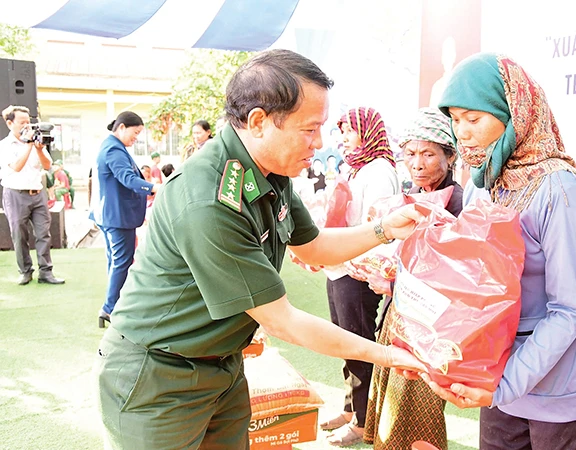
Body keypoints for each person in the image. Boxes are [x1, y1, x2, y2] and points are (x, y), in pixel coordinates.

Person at [96, 49, 424, 450]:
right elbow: (283, 321)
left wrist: (384, 230)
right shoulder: (209, 198)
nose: (320, 143)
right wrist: (387, 356)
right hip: (158, 376)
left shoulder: (270, 169)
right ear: (258, 122)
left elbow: (315, 246)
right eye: (309, 129)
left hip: (222, 367)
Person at [423, 53, 576, 450]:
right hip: (499, 376)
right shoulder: (484, 182)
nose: (463, 133)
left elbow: (570, 310)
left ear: (515, 115)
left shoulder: (560, 191)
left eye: (473, 119)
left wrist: (506, 384)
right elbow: (476, 284)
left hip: (561, 393)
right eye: (455, 120)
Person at [363, 107, 463, 450]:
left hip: (432, 327)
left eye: (428, 154)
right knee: (391, 402)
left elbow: (456, 279)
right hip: (398, 316)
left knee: (417, 407)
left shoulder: (458, 205)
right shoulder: (408, 198)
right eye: (410, 154)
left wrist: (392, 283)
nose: (417, 163)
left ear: (449, 156)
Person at [320, 106, 399, 447]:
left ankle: (364, 422)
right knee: (345, 344)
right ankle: (351, 409)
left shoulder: (379, 170)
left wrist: (352, 261)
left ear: (367, 131)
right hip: (339, 266)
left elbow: (377, 227)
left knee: (359, 346)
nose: (343, 138)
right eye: (341, 131)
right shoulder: (356, 168)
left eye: (349, 131)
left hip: (359, 272)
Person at [90, 111, 157, 328]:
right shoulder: (113, 149)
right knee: (121, 262)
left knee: (115, 261)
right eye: (135, 132)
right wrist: (154, 187)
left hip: (110, 215)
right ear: (121, 127)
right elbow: (128, 179)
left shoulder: (112, 146)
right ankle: (110, 309)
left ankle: (114, 305)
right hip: (117, 217)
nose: (136, 137)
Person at [0, 105, 65, 285]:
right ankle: (25, 271)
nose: (27, 126)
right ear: (9, 123)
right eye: (22, 122)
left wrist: (38, 148)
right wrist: (28, 145)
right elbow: (16, 167)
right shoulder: (5, 146)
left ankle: (46, 272)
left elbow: (47, 165)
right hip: (15, 194)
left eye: (28, 122)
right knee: (19, 235)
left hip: (37, 193)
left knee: (43, 233)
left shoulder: (35, 140)